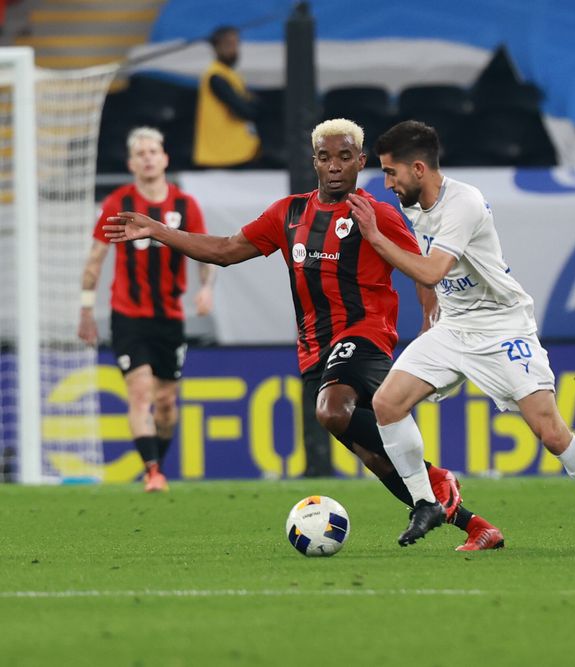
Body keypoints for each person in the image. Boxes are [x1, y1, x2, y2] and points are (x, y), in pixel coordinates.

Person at [104, 118, 504, 551]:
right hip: (315, 348)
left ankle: (437, 483)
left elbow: (421, 270)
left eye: (345, 157)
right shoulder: (289, 213)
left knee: (332, 411)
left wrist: (429, 321)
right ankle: (474, 525)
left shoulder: (376, 213)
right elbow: (224, 251)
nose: (335, 166)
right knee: (373, 454)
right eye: (326, 157)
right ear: (314, 161)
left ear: (360, 162)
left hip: (366, 333)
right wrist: (160, 231)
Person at [348, 120, 575, 555]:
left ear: (419, 169)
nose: (387, 183)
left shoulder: (462, 203)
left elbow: (430, 267)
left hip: (502, 326)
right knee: (387, 404)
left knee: (551, 432)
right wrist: (431, 308)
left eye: (392, 173)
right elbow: (423, 260)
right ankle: (425, 503)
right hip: (454, 326)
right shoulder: (412, 205)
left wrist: (373, 236)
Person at [78, 126, 216, 492]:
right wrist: (87, 310)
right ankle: (152, 471)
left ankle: (158, 466)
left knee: (167, 403)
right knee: (140, 393)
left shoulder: (186, 206)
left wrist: (206, 288)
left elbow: (205, 252)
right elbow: (95, 259)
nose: (148, 157)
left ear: (165, 158)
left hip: (169, 318)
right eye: (141, 153)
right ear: (131, 163)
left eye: (153, 151)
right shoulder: (117, 204)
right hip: (128, 316)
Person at [193, 25, 260, 168]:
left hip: (237, 150)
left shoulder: (231, 75)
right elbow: (244, 109)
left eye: (236, 44)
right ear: (216, 47)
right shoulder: (215, 76)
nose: (234, 49)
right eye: (228, 44)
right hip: (222, 155)